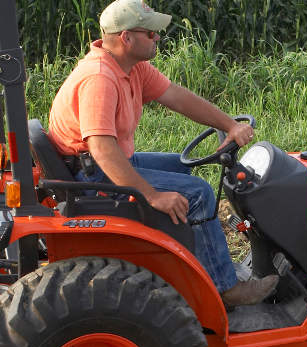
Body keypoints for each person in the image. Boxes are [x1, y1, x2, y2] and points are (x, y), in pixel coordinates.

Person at [46, 0, 277, 307]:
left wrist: (229, 125)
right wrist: (152, 195)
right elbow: (102, 149)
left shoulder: (130, 67)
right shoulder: (99, 78)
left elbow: (177, 97)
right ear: (127, 38)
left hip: (104, 163)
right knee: (200, 193)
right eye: (151, 33)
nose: (158, 38)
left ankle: (185, 264)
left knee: (181, 168)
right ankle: (224, 290)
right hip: (92, 175)